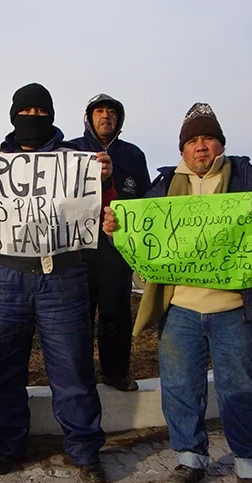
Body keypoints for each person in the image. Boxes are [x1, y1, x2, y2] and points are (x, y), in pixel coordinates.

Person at [102, 102, 252, 483]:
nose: (201, 147)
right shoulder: (164, 186)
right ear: (182, 149)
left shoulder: (247, 179)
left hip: (233, 307)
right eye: (192, 141)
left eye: (208, 138)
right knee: (181, 387)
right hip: (180, 308)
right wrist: (117, 229)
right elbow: (142, 234)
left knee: (241, 387)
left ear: (220, 143)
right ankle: (189, 458)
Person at [0, 83, 110, 483]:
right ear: (13, 116)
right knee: (4, 365)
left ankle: (84, 450)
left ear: (52, 117)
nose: (32, 119)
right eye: (26, 112)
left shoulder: (78, 161)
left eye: (41, 113)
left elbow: (102, 211)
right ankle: (6, 446)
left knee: (72, 365)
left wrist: (105, 178)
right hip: (5, 276)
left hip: (64, 274)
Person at [71, 94, 151, 391]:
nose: (106, 116)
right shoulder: (72, 149)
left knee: (115, 313)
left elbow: (145, 201)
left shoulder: (133, 155)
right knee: (77, 315)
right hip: (77, 249)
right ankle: (78, 376)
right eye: (100, 111)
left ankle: (116, 372)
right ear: (89, 117)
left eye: (112, 112)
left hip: (116, 248)